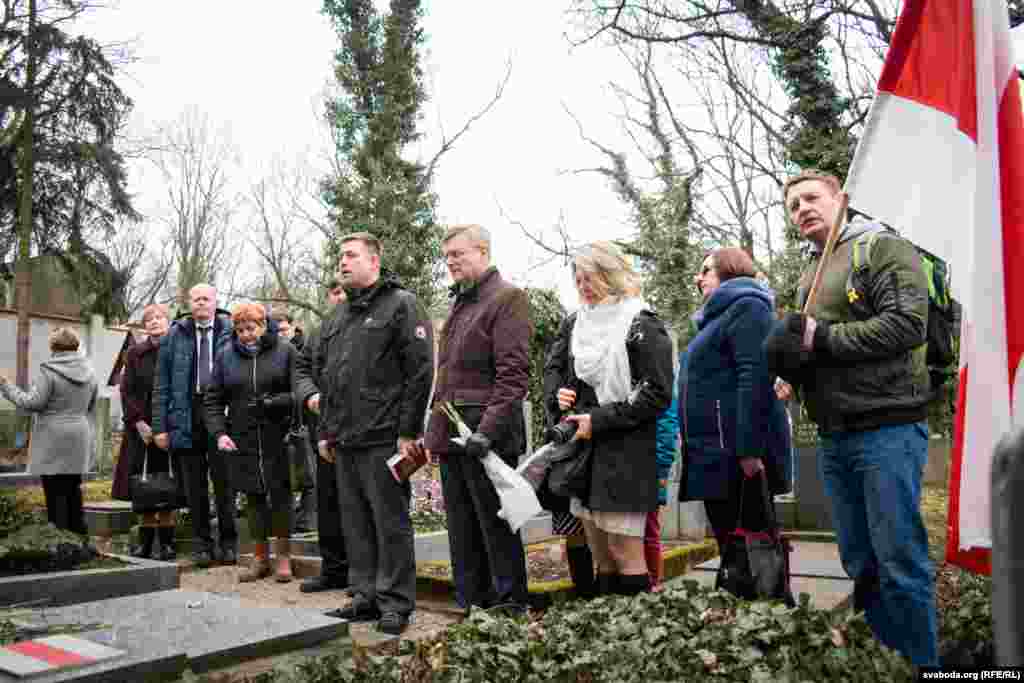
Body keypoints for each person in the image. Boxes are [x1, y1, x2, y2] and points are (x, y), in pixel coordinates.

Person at [764, 169, 937, 667]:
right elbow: (814, 348)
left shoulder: (882, 248)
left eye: (811, 198)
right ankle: (882, 665)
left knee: (898, 560)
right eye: (793, 205)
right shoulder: (810, 272)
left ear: (841, 198)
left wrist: (820, 338)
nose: (802, 209)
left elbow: (907, 325)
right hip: (834, 435)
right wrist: (794, 373)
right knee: (860, 563)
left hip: (887, 428)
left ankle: (923, 667)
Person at [306, 233, 433, 635]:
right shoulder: (338, 317)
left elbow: (419, 372)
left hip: (384, 438)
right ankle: (365, 596)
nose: (342, 262)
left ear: (374, 262)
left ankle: (395, 603)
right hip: (345, 440)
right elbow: (327, 378)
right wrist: (326, 432)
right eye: (340, 256)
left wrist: (408, 431)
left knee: (389, 523)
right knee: (356, 525)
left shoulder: (401, 305)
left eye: (351, 255)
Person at [547, 241, 673, 597]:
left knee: (624, 551)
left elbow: (657, 392)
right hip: (584, 454)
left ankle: (638, 627)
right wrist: (559, 395)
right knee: (599, 551)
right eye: (578, 280)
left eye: (591, 278)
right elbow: (557, 370)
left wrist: (599, 420)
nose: (583, 287)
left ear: (611, 275)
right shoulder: (576, 322)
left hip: (625, 451)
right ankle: (608, 628)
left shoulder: (642, 323)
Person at [424, 224, 532, 613]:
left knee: (495, 525)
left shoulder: (507, 298)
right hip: (453, 436)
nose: (450, 262)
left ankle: (510, 605)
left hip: (487, 438)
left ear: (483, 251)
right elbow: (446, 378)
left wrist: (486, 433)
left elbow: (513, 376)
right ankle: (472, 604)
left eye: (458, 253)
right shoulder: (460, 303)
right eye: (447, 256)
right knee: (462, 528)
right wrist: (433, 434)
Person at [679, 248, 792, 569]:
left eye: (706, 270)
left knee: (751, 552)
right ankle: (741, 600)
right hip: (713, 451)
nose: (698, 277)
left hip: (735, 455)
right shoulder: (716, 318)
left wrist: (749, 451)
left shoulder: (748, 307)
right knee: (733, 550)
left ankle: (763, 600)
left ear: (730, 270)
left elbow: (755, 378)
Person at [205, 302, 297, 582]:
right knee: (253, 497)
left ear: (263, 326)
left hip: (278, 434)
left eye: (251, 328)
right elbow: (213, 399)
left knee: (281, 496)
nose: (246, 335)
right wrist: (220, 433)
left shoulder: (285, 351)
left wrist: (273, 403)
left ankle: (283, 557)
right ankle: (260, 558)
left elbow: (298, 392)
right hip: (242, 436)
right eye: (240, 329)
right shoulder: (225, 356)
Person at [152, 283, 238, 568]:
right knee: (194, 485)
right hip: (186, 414)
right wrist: (159, 427)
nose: (201, 303)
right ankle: (202, 544)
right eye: (196, 299)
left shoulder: (230, 330)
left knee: (225, 482)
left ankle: (229, 542)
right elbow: (161, 383)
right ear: (189, 303)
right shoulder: (174, 335)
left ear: (215, 302)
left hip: (221, 414)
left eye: (206, 299)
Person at [0, 327, 98, 535]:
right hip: (79, 434)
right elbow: (91, 405)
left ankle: (59, 539)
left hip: (53, 437)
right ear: (76, 346)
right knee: (73, 489)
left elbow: (32, 403)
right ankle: (80, 538)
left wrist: (6, 385)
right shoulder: (90, 371)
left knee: (54, 491)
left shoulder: (49, 371)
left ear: (52, 346)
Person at [293, 279, 351, 593]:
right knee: (328, 503)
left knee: (356, 505)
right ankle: (334, 569)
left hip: (359, 427)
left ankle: (363, 574)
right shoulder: (321, 331)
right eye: (335, 292)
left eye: (344, 290)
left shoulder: (365, 326)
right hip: (325, 427)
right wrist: (309, 394)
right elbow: (301, 369)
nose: (340, 297)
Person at [120, 304, 181, 560]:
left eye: (159, 317)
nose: (154, 321)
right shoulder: (134, 353)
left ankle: (167, 544)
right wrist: (138, 422)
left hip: (171, 427)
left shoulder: (178, 350)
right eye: (149, 319)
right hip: (141, 429)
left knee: (168, 485)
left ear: (168, 322)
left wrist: (168, 425)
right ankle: (145, 545)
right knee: (144, 486)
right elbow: (127, 390)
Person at [275, 311, 316, 533]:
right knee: (288, 472)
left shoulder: (304, 348)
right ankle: (289, 520)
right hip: (283, 417)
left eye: (284, 330)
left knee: (308, 470)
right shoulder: (274, 351)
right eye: (277, 331)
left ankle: (309, 519)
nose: (281, 334)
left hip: (305, 417)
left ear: (292, 327)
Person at [647, 380, 679, 589]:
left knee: (649, 527)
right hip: (645, 459)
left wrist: (661, 464)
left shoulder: (662, 377)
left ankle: (652, 584)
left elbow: (668, 423)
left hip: (653, 462)